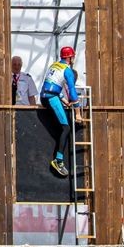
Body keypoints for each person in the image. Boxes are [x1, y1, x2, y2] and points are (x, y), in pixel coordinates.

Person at [40, 45, 81, 177]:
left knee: (61, 127)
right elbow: (73, 92)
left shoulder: (54, 65)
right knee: (66, 128)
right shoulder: (67, 70)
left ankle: (58, 159)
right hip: (51, 97)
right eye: (73, 57)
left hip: (45, 96)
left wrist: (64, 101)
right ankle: (58, 161)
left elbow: (52, 84)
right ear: (70, 57)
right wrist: (78, 113)